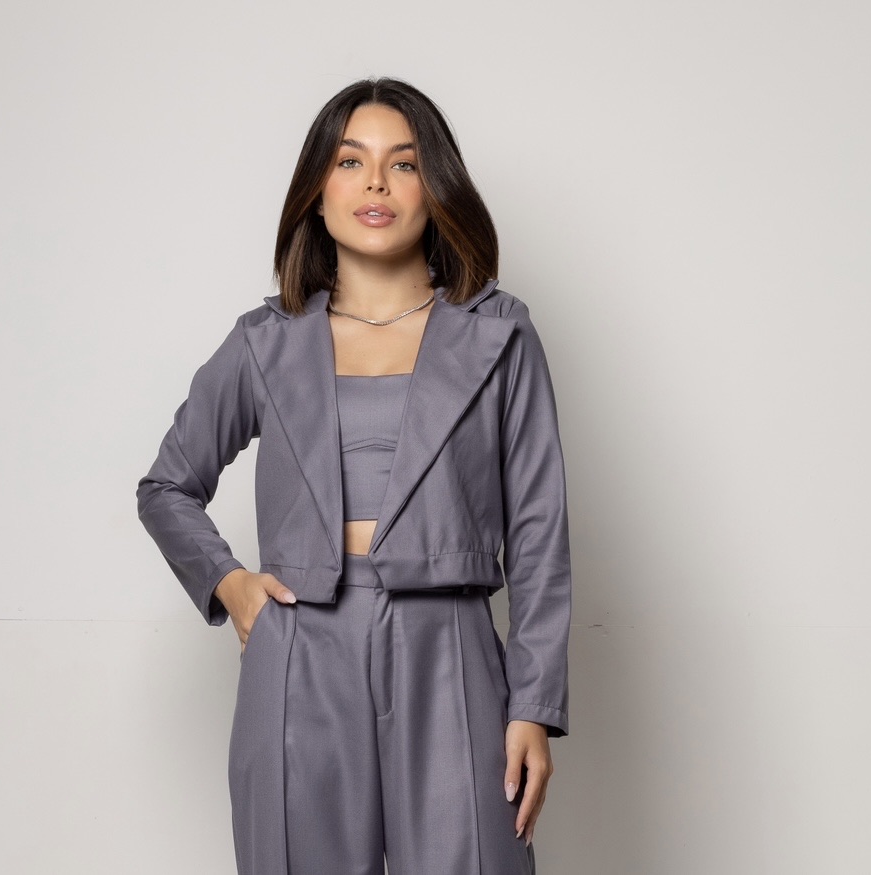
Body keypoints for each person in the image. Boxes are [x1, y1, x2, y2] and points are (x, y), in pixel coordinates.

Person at [137, 77, 572, 875]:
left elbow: (539, 531)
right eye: (349, 161)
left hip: (450, 645)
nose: (375, 183)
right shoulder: (264, 341)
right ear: (317, 189)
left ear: (434, 188)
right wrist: (232, 585)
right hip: (299, 645)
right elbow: (167, 485)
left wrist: (533, 707)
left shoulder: (500, 334)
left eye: (403, 164)